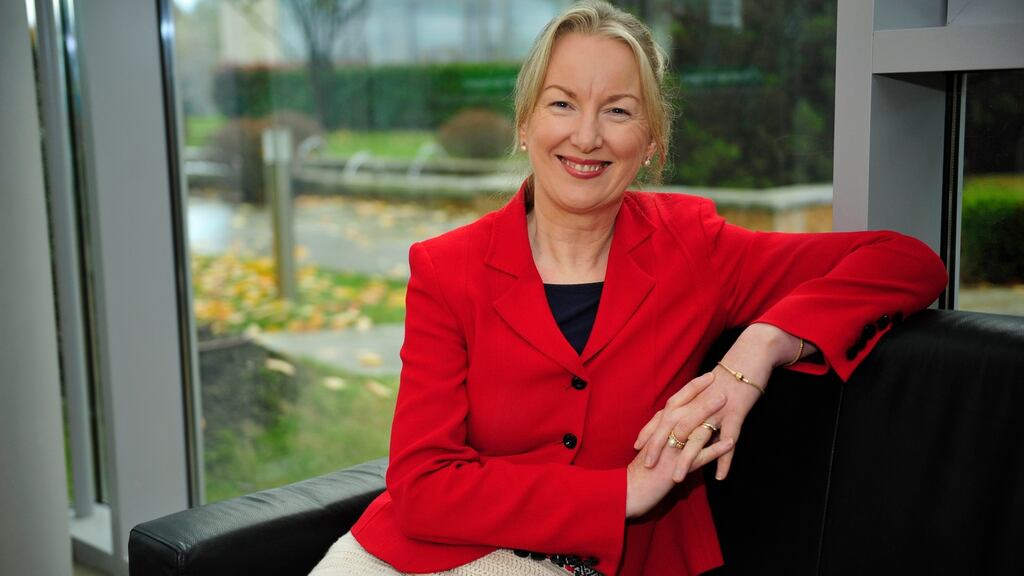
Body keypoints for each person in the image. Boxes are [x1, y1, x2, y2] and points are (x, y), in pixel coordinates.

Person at [309, 1, 948, 574]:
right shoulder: (445, 268)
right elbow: (421, 485)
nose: (586, 136)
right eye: (562, 104)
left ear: (650, 143)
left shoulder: (694, 246)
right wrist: (618, 495)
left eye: (618, 111)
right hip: (428, 558)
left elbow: (904, 260)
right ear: (524, 123)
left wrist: (759, 349)